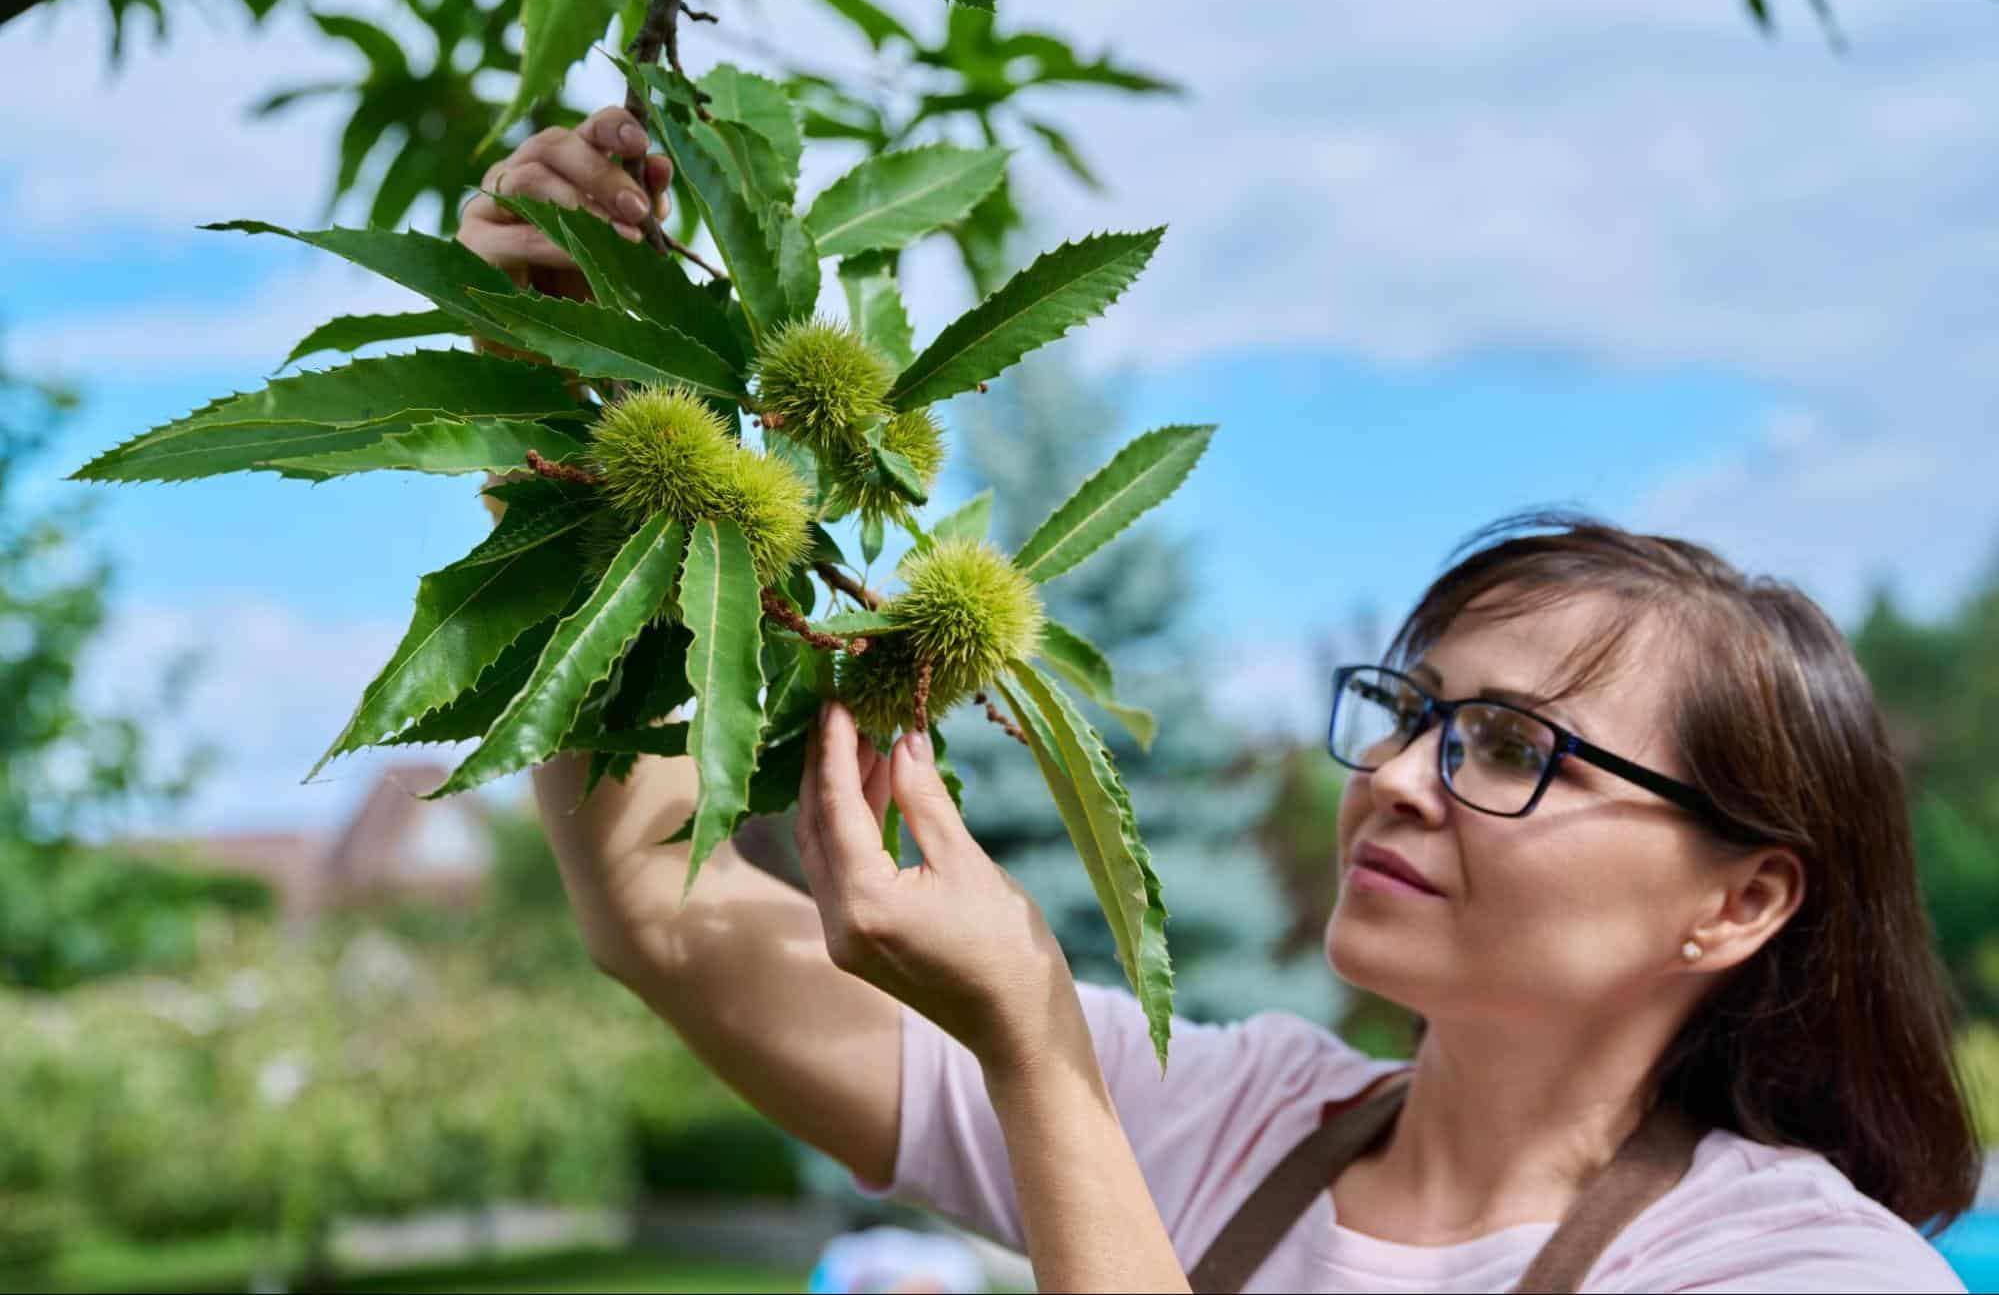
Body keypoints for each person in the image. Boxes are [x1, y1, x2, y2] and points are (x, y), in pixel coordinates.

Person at [459, 107, 1982, 1293]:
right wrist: (564, 423)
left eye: (1510, 747)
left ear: (1741, 900)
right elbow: (661, 907)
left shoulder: (1796, 1264)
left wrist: (1041, 1056)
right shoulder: (1236, 1117)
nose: (1394, 776)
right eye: (1407, 709)